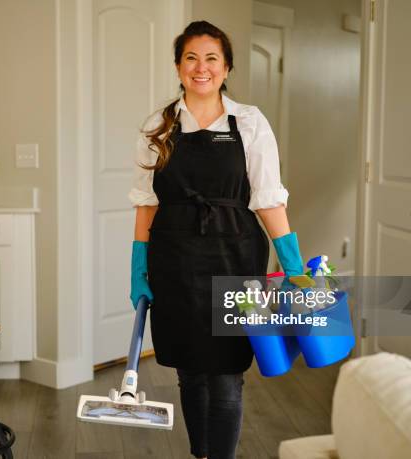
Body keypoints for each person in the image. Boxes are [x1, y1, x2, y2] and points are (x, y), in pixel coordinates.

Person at [128, 21, 304, 459]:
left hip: (234, 258)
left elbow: (268, 201)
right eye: (191, 58)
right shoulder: (159, 125)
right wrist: (138, 267)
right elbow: (146, 204)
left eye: (211, 59)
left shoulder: (249, 122)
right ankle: (200, 453)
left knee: (226, 374)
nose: (201, 68)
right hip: (174, 261)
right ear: (178, 66)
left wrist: (295, 268)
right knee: (190, 371)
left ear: (226, 68)